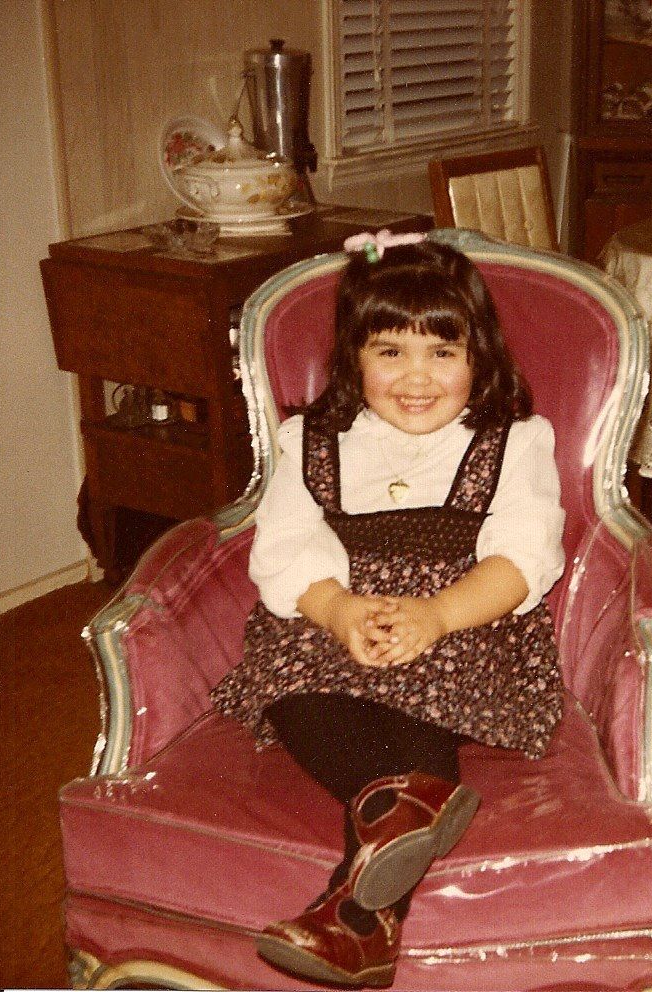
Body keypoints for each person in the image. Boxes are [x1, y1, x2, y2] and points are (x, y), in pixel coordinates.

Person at [210, 230, 566, 988]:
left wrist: (434, 617)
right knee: (294, 685)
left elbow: (524, 556)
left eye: (442, 351)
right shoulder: (311, 439)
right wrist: (339, 612)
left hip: (461, 619)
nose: (416, 377)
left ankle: (356, 916)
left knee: (419, 710)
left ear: (480, 357)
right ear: (353, 357)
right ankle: (393, 843)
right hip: (336, 616)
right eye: (390, 351)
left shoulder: (515, 440)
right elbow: (285, 546)